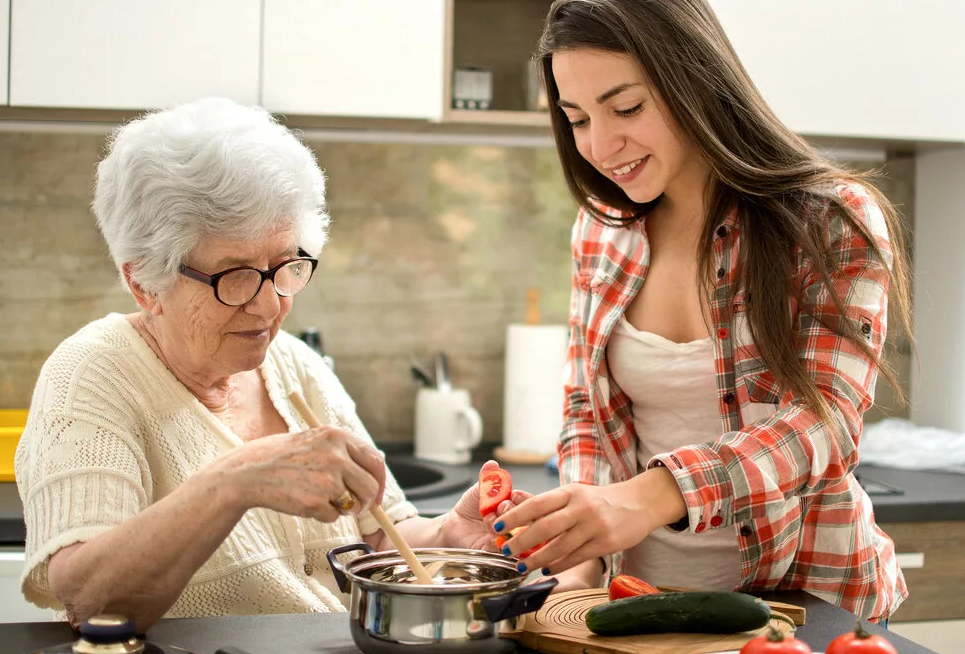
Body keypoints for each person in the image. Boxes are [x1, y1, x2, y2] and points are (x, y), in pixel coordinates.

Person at [14, 97, 516, 630]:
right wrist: (234, 482)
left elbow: (380, 535)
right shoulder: (92, 376)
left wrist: (446, 539)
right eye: (234, 275)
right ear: (144, 283)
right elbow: (88, 598)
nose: (269, 303)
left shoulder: (293, 364)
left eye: (284, 266)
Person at [494, 0, 912, 623]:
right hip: (634, 608)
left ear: (696, 78)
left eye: (626, 107)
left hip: (805, 601)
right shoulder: (601, 231)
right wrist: (577, 553)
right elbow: (587, 406)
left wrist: (654, 494)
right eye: (577, 118)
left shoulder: (830, 220)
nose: (600, 145)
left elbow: (824, 423)